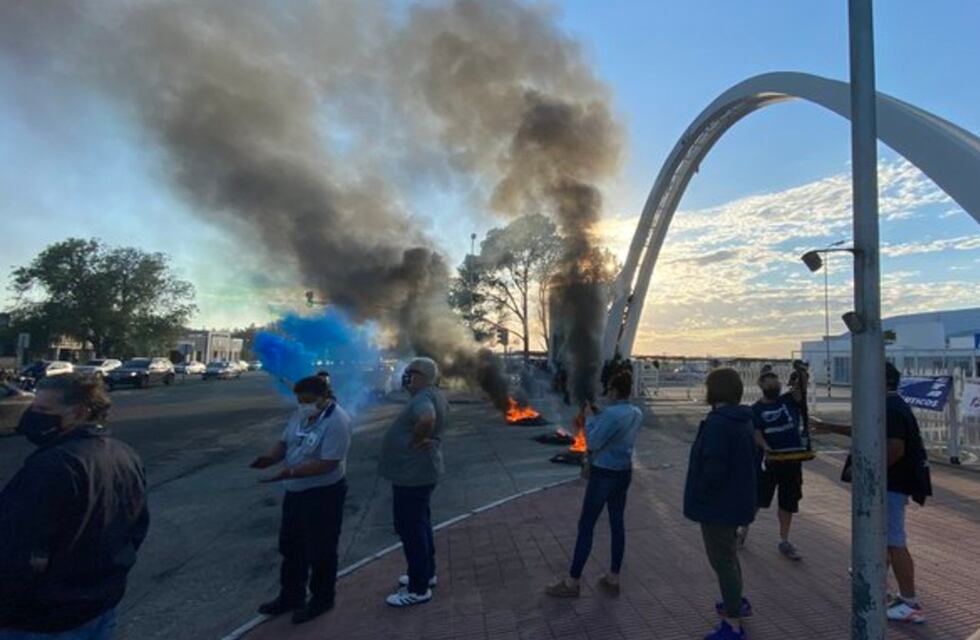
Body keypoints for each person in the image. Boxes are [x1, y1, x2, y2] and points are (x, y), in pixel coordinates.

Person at [0, 374, 149, 640]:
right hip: (98, 607)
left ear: (79, 412)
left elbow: (18, 551)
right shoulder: (124, 454)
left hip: (41, 620)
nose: (33, 416)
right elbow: (135, 528)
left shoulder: (53, 466)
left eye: (44, 410)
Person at [251, 375, 352, 624]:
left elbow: (329, 463)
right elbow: (285, 441)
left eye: (307, 400)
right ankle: (291, 595)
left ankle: (321, 599)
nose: (302, 405)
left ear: (324, 398)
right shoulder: (300, 414)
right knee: (291, 545)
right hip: (295, 492)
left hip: (323, 494)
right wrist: (271, 458)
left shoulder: (338, 421)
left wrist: (291, 472)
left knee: (321, 549)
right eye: (299, 400)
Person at [545, 371, 643, 598]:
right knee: (617, 524)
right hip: (623, 472)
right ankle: (613, 576)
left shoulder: (611, 415)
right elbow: (616, 429)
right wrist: (599, 416)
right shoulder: (636, 412)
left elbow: (595, 441)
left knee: (587, 525)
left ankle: (572, 581)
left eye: (609, 389)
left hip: (603, 474)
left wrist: (590, 418)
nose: (606, 393)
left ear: (615, 390)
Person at [684, 368, 757, 640]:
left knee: (722, 559)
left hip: (718, 505)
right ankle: (735, 601)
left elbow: (713, 467)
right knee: (729, 554)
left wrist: (701, 495)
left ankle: (733, 624)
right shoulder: (742, 420)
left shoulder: (717, 424)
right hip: (737, 500)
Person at [378, 357, 448, 607]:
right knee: (420, 524)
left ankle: (418, 588)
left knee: (411, 528)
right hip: (419, 473)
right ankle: (425, 573)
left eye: (411, 372)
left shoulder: (423, 399)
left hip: (412, 475)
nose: (406, 375)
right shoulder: (433, 393)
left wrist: (417, 441)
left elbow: (427, 419)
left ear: (423, 376)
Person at [740, 365, 807, 560]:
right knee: (759, 498)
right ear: (761, 385)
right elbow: (756, 433)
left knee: (788, 501)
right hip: (770, 461)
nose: (774, 384)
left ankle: (784, 540)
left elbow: (801, 389)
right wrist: (766, 447)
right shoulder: (756, 409)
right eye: (769, 381)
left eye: (775, 381)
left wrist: (801, 373)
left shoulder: (787, 401)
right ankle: (743, 529)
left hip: (792, 460)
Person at [883, 362, 931, 624]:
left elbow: (895, 448)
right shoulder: (894, 405)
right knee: (887, 539)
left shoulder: (891, 408)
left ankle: (910, 601)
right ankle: (888, 590)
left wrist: (872, 473)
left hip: (893, 484)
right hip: (894, 483)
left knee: (894, 541)